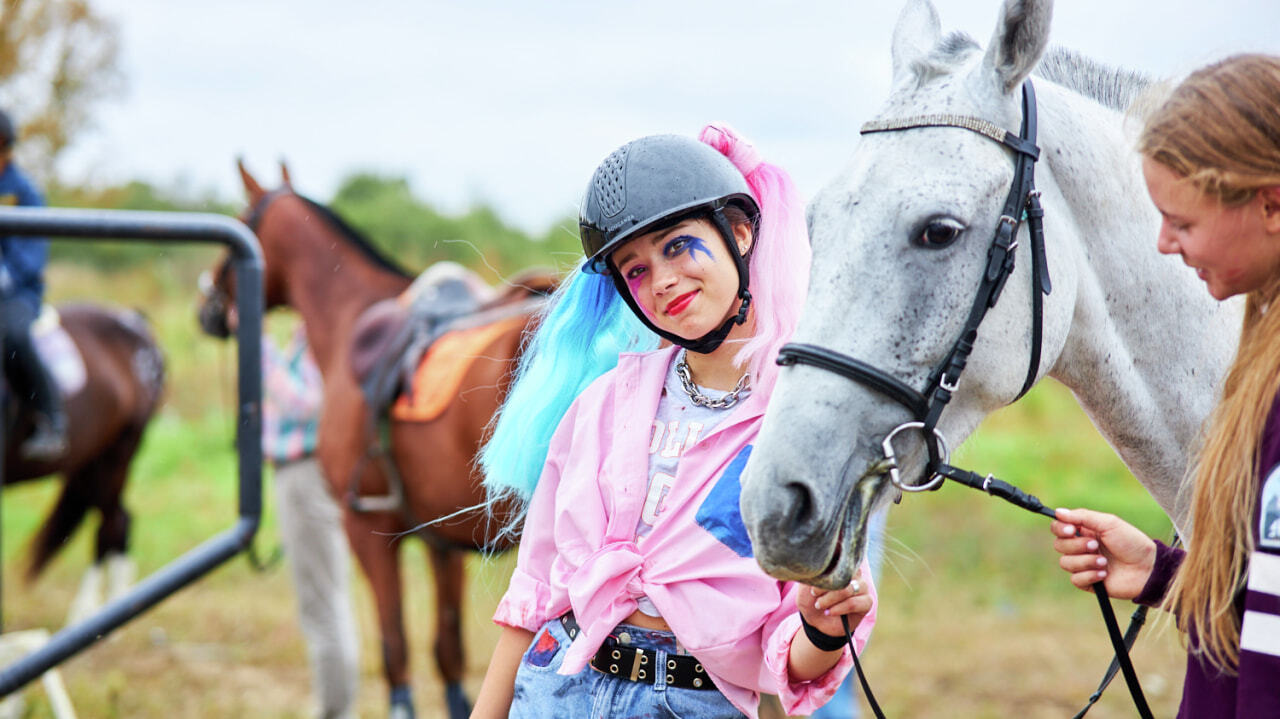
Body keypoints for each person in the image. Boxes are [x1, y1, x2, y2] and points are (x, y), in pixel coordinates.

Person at [471, 124, 877, 719]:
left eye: (678, 246)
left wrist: (823, 630)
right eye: (634, 270)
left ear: (740, 232)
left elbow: (789, 661)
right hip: (559, 685)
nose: (660, 281)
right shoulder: (601, 404)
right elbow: (535, 589)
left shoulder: (798, 428)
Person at [1050, 54, 1280, 718]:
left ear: (1269, 203)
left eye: (1182, 221)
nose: (1163, 243)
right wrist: (1163, 572)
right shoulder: (1260, 362)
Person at [261, 325, 360, 719]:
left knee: (322, 601)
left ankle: (335, 710)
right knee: (323, 598)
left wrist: (259, 349)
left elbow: (306, 404)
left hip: (304, 471)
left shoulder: (319, 339)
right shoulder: (306, 336)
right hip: (298, 472)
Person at [0, 107, 66, 460]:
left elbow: (31, 256)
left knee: (12, 334)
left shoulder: (24, 192)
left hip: (16, 293)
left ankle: (52, 418)